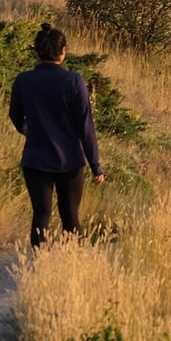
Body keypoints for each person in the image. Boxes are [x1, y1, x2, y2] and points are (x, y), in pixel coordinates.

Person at [8, 23, 105, 247]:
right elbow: (86, 127)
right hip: (70, 160)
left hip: (35, 158)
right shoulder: (74, 81)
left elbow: (15, 115)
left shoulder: (23, 80)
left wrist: (29, 131)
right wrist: (95, 165)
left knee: (41, 215)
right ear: (63, 51)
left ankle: (39, 262)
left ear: (37, 52)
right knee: (70, 216)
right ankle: (71, 262)